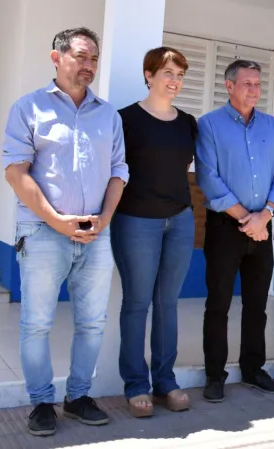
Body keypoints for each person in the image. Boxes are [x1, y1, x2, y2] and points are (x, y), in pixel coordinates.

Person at [2, 27, 128, 436]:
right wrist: (56, 220)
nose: (89, 65)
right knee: (36, 324)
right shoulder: (29, 108)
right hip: (42, 232)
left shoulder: (108, 115)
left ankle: (78, 397)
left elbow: (119, 171)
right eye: (81, 56)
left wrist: (104, 218)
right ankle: (41, 402)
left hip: (96, 233)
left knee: (92, 323)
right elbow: (16, 172)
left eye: (94, 58)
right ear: (57, 58)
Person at [195, 60, 274, 401]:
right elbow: (208, 177)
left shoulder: (273, 127)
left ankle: (253, 369)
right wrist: (247, 219)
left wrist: (264, 216)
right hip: (226, 227)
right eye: (247, 83)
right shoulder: (209, 125)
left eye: (257, 84)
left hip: (262, 227)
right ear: (229, 86)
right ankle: (215, 375)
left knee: (257, 305)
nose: (254, 89)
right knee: (218, 304)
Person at [113, 47, 196, 417]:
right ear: (148, 75)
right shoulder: (126, 119)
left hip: (180, 220)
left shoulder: (188, 123)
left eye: (179, 74)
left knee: (168, 303)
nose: (174, 80)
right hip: (136, 221)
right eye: (167, 73)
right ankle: (136, 384)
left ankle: (165, 380)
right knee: (137, 303)